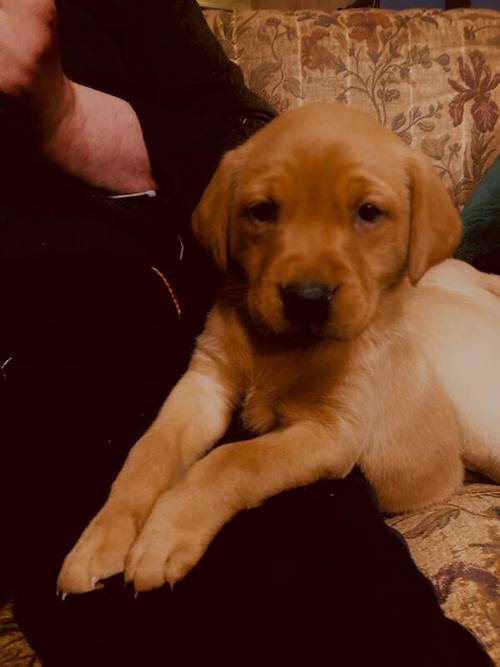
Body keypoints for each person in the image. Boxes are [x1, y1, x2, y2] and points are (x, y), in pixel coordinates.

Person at [0, 1, 494, 665]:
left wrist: (208, 489)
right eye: (265, 212)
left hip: (130, 316)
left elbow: (329, 437)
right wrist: (131, 504)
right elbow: (200, 394)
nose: (309, 276)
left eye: (367, 213)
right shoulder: (238, 294)